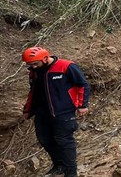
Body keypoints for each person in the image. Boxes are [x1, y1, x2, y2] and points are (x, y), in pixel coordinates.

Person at [21, 47, 91, 177]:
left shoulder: (66, 66)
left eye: (35, 64)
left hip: (63, 112)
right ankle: (59, 165)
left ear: (45, 58)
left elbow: (83, 85)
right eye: (30, 65)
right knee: (44, 139)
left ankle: (71, 172)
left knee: (64, 141)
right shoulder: (34, 71)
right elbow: (33, 92)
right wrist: (28, 109)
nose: (33, 67)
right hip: (42, 112)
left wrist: (82, 105)